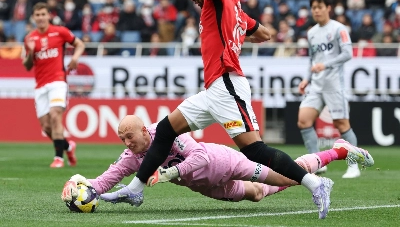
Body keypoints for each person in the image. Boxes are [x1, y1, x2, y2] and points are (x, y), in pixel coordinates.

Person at [103, 0, 336, 219]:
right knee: (166, 130)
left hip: (226, 84)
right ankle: (136, 189)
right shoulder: (232, 12)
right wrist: (235, 32)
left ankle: (316, 183)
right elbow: (265, 34)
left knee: (255, 151)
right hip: (213, 89)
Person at [61, 115, 373, 207]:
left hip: (222, 162)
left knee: (285, 177)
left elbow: (199, 155)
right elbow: (109, 177)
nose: (127, 144)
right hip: (204, 185)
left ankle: (338, 151)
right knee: (255, 195)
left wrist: (171, 174)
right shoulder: (132, 156)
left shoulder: (166, 131)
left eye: (130, 136)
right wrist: (86, 189)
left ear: (144, 130)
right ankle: (324, 163)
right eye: (122, 140)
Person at [297, 0, 360, 178]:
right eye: (313, 8)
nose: (316, 10)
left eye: (320, 7)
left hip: (334, 84)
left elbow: (348, 53)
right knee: (303, 120)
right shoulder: (311, 33)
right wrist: (307, 79)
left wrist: (326, 64)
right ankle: (317, 163)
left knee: (341, 124)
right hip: (316, 85)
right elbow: (313, 59)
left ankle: (354, 165)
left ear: (328, 8)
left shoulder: (339, 29)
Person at [23, 2, 85, 168]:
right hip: (40, 85)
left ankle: (59, 158)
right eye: (38, 15)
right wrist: (30, 52)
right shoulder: (30, 38)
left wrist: (75, 58)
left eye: (43, 14)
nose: (41, 18)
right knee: (46, 127)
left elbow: (80, 44)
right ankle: (68, 146)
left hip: (58, 81)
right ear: (34, 17)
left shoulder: (60, 31)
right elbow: (28, 66)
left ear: (49, 15)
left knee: (55, 115)